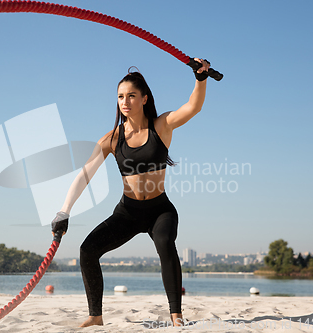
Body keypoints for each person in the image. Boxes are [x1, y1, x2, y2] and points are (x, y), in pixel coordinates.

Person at [51, 59, 210, 327]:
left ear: (144, 98)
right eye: (120, 97)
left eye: (131, 96)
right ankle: (95, 317)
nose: (125, 102)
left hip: (160, 210)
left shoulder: (161, 126)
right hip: (128, 211)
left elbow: (193, 107)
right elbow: (85, 175)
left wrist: (200, 78)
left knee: (164, 244)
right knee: (87, 250)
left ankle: (176, 316)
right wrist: (63, 211)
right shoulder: (112, 139)